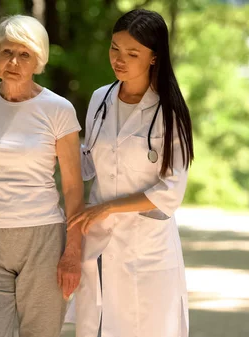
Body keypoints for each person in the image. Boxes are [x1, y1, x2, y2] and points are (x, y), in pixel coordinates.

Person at [0, 15, 84, 337]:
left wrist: (73, 251)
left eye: (24, 54)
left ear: (38, 60)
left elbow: (72, 185)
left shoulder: (58, 109)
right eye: (6, 51)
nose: (14, 61)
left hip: (43, 239)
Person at [68, 9, 194, 337]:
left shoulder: (170, 112)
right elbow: (87, 165)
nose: (119, 60)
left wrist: (108, 207)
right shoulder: (100, 99)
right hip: (97, 242)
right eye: (115, 48)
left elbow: (171, 191)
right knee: (96, 328)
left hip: (147, 248)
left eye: (132, 53)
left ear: (154, 57)